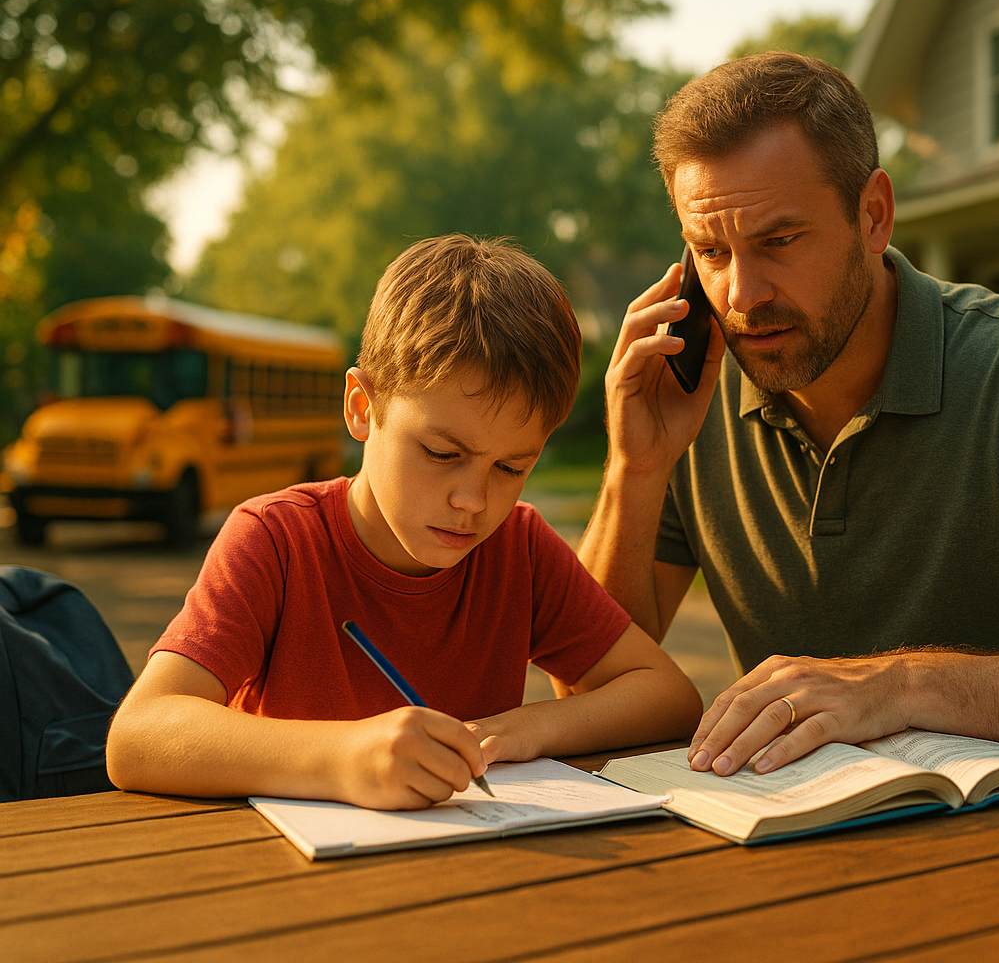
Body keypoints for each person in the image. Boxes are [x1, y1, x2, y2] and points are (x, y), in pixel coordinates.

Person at [579, 52, 999, 779]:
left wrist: (901, 687)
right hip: (790, 836)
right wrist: (637, 465)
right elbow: (588, 689)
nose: (742, 294)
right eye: (711, 251)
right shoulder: (690, 394)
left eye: (779, 241)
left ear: (873, 215)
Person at [107, 235, 702, 809]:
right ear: (363, 408)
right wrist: (343, 758)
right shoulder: (275, 540)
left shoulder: (518, 546)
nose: (472, 499)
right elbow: (138, 735)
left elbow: (668, 696)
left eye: (511, 466)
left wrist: (525, 730)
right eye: (443, 454)